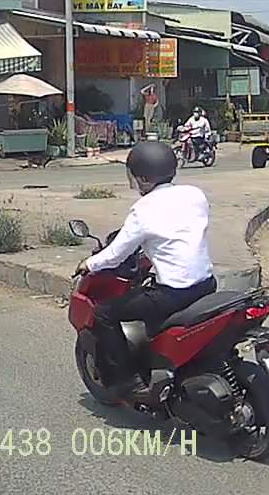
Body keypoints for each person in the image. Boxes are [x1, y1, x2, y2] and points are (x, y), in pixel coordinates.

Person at [74, 141, 216, 401]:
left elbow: (116, 253)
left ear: (143, 178)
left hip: (173, 294)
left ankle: (128, 381)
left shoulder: (143, 209)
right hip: (207, 284)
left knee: (104, 313)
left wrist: (88, 264)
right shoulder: (195, 194)